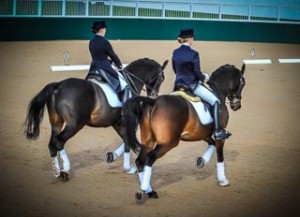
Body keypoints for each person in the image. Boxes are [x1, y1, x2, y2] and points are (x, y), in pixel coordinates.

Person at [172, 28, 231, 140]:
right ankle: (218, 131)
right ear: (189, 39)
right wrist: (204, 77)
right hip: (192, 86)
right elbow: (197, 72)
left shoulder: (175, 52)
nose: (192, 40)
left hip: (178, 85)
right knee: (216, 101)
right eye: (192, 38)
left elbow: (175, 70)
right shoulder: (194, 54)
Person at [87, 21, 130, 104]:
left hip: (93, 66)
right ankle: (124, 105)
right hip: (104, 67)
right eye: (105, 28)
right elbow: (113, 55)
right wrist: (120, 65)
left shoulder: (91, 42)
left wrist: (108, 61)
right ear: (102, 30)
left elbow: (98, 55)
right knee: (122, 83)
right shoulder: (105, 42)